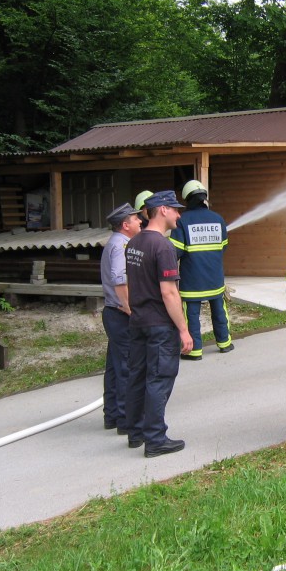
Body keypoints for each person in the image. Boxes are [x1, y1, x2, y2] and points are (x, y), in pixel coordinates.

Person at [124, 190, 194, 457]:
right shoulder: (163, 246)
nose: (179, 214)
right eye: (176, 209)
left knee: (138, 376)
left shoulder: (134, 243)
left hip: (138, 320)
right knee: (159, 378)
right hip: (159, 325)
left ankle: (136, 433)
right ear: (163, 210)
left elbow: (132, 286)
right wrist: (184, 330)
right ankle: (155, 439)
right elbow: (169, 292)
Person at [169, 179, 233, 360]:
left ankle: (195, 351)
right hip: (215, 278)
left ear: (187, 199)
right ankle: (225, 343)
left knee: (192, 314)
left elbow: (176, 252)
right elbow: (223, 246)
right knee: (219, 310)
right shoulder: (218, 219)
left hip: (192, 279)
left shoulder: (182, 221)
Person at [100, 202, 143, 433]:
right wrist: (129, 309)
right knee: (127, 367)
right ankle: (126, 421)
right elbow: (119, 278)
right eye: (136, 218)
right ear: (125, 224)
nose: (140, 221)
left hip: (113, 313)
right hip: (120, 314)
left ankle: (113, 416)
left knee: (115, 368)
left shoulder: (117, 243)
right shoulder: (121, 246)